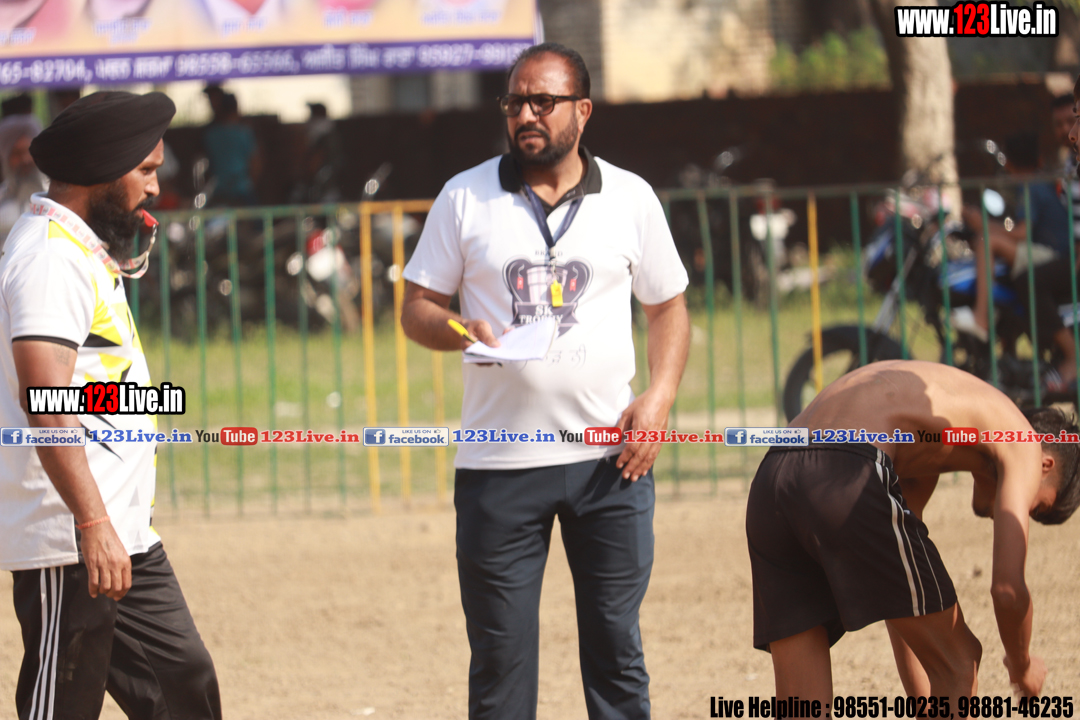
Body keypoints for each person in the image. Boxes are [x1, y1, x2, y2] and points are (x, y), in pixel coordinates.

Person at [400, 43, 690, 720]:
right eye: (515, 102)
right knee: (499, 665)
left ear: (582, 111)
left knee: (617, 654)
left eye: (543, 102)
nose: (526, 114)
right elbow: (416, 309)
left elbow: (668, 308)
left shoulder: (631, 197)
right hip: (498, 467)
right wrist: (461, 328)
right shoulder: (464, 196)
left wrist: (659, 397)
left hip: (610, 464)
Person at [0, 91, 221, 719]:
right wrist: (93, 525)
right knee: (64, 705)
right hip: (70, 537)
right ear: (101, 168)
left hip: (123, 534)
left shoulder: (80, 247)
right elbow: (45, 402)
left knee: (184, 687)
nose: (155, 186)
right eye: (145, 170)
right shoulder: (49, 258)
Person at [746, 360, 1080, 707]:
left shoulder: (928, 433)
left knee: (802, 706)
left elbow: (901, 595)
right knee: (960, 663)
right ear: (1045, 465)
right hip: (847, 462)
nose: (1019, 512)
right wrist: (1022, 665)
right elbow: (1008, 591)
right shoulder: (1023, 440)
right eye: (1038, 508)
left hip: (772, 477)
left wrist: (925, 706)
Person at [202, 91, 259, 206]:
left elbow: (205, 164)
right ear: (236, 110)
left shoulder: (211, 135)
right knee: (254, 215)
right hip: (242, 189)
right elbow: (255, 163)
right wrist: (250, 183)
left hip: (219, 190)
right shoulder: (244, 133)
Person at [0, 113, 46, 248]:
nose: (26, 160)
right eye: (17, 153)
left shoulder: (57, 196)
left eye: (30, 151)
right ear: (5, 158)